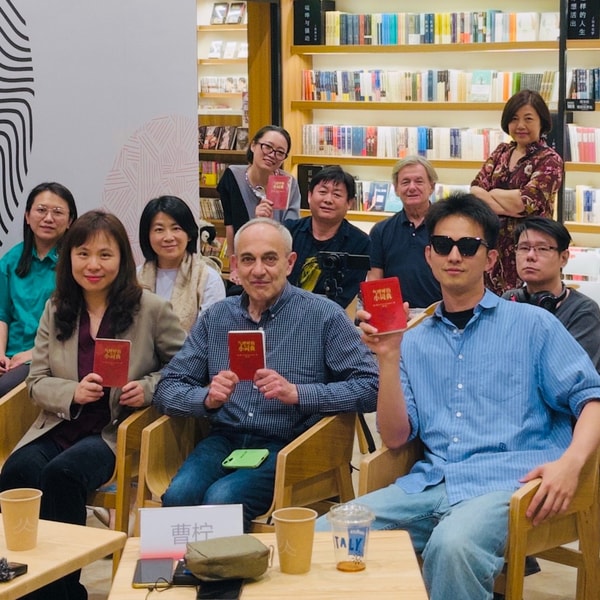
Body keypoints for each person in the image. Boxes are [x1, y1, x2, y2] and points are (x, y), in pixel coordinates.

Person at [318, 193, 600, 600]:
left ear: (489, 259)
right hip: (432, 482)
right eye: (443, 245)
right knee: (325, 534)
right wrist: (388, 359)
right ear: (429, 255)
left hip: (513, 485)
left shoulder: (533, 324)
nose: (454, 256)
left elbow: (591, 397)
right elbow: (395, 438)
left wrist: (571, 465)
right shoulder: (413, 339)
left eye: (468, 246)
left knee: (452, 547)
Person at [0, 210, 186, 600]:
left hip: (114, 432)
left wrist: (147, 388)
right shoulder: (57, 308)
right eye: (83, 254)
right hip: (60, 423)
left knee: (63, 475)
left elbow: (185, 367)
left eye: (105, 254)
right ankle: (26, 580)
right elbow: (36, 381)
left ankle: (63, 589)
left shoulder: (150, 308)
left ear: (122, 259)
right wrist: (72, 392)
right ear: (69, 258)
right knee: (16, 470)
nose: (93, 265)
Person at [153, 218, 378, 531]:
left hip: (290, 443)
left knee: (223, 498)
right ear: (235, 266)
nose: (258, 270)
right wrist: (207, 398)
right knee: (179, 495)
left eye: (270, 259)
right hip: (225, 438)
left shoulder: (324, 315)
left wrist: (299, 394)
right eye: (248, 260)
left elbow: (371, 387)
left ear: (290, 263)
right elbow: (167, 388)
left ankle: (228, 565)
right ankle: (183, 564)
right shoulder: (218, 317)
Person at [471, 89, 563, 295]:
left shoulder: (550, 160)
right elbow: (475, 190)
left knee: (528, 306)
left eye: (528, 119)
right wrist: (510, 203)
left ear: (542, 122)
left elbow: (525, 203)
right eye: (514, 119)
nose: (520, 125)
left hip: (530, 251)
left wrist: (492, 193)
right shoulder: (501, 152)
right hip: (493, 251)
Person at [0, 182, 77, 397]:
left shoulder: (76, 264)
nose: (48, 218)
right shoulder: (10, 260)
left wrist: (33, 353)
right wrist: (1, 355)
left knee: (3, 389)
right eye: (41, 210)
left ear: (70, 221)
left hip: (49, 357)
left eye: (58, 212)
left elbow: (78, 323)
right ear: (27, 216)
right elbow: (2, 315)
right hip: (11, 355)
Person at [503, 216, 600, 370]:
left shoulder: (582, 310)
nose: (530, 256)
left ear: (564, 258)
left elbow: (572, 374)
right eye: (524, 248)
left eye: (542, 249)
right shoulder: (509, 300)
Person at [217, 125, 301, 282]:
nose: (272, 155)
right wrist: (234, 268)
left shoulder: (288, 183)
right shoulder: (233, 176)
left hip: (275, 259)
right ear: (253, 145)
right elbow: (231, 226)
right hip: (246, 257)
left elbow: (292, 229)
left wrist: (269, 222)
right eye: (267, 147)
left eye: (280, 152)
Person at [285, 165, 370, 309]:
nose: (328, 199)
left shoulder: (360, 243)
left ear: (349, 203)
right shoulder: (288, 231)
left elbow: (345, 295)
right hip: (282, 311)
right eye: (323, 192)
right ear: (310, 196)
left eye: (337, 195)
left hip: (328, 316)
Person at [137, 195, 226, 332]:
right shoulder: (134, 278)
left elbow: (212, 333)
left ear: (189, 234)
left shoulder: (208, 278)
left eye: (176, 228)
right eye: (159, 229)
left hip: (192, 347)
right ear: (147, 236)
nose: (168, 237)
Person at [367, 156, 442, 311]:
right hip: (395, 315)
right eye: (405, 182)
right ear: (396, 189)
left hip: (441, 313)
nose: (412, 187)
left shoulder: (447, 227)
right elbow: (375, 282)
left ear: (432, 186)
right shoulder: (380, 231)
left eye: (419, 181)